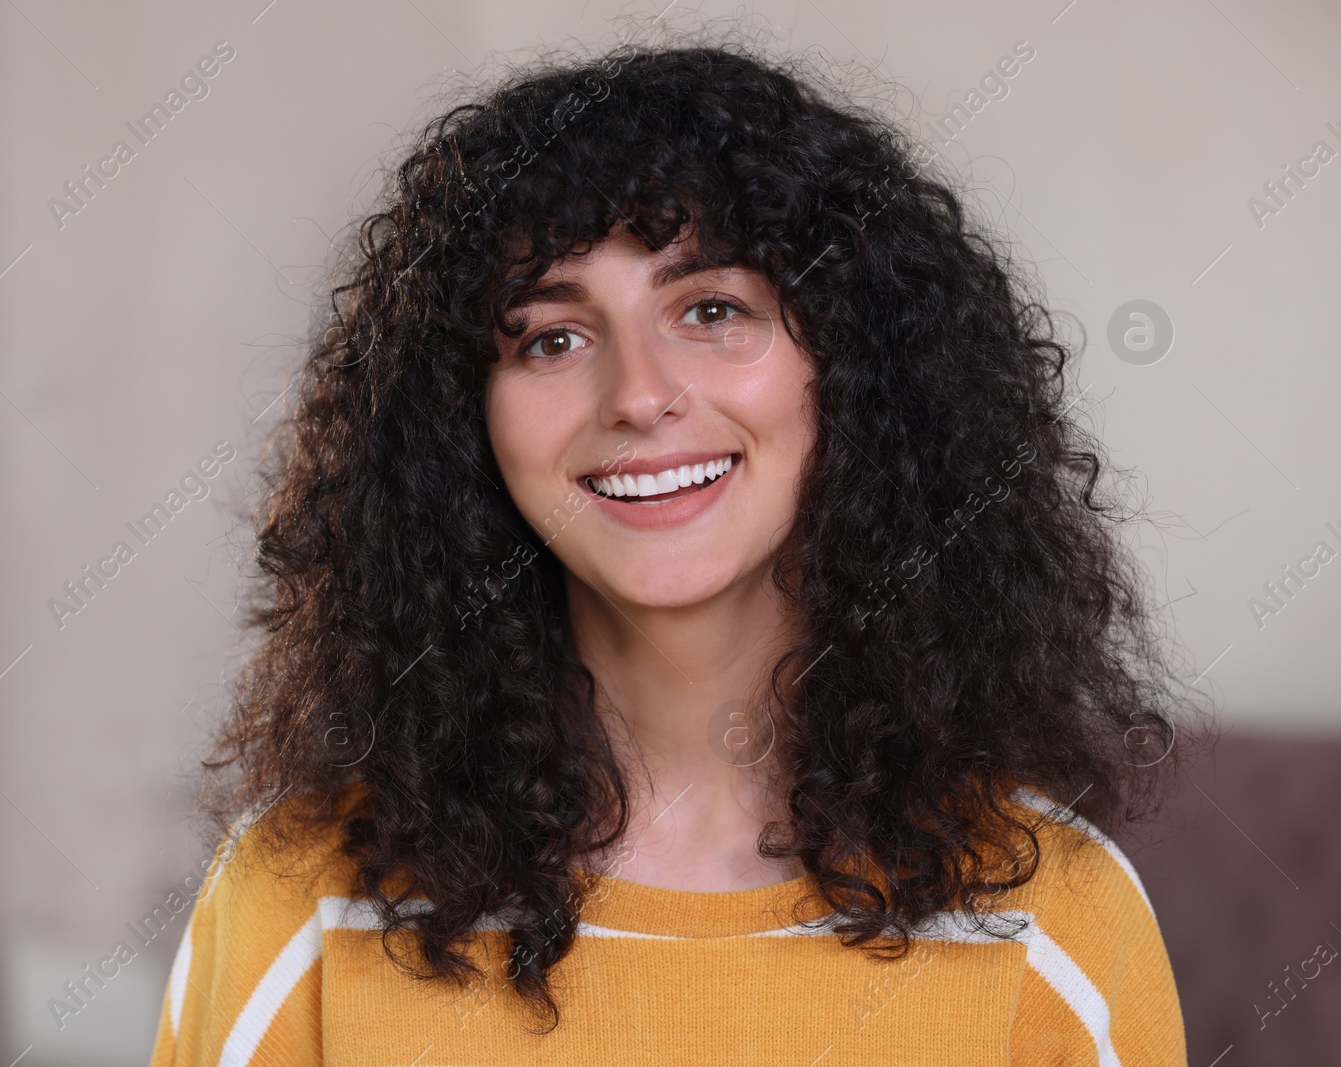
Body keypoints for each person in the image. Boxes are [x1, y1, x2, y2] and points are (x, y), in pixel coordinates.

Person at [149, 34, 1194, 1066]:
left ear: (856, 375)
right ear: (463, 424)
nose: (640, 394)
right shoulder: (298, 906)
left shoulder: (1048, 919)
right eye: (551, 337)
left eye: (711, 309)